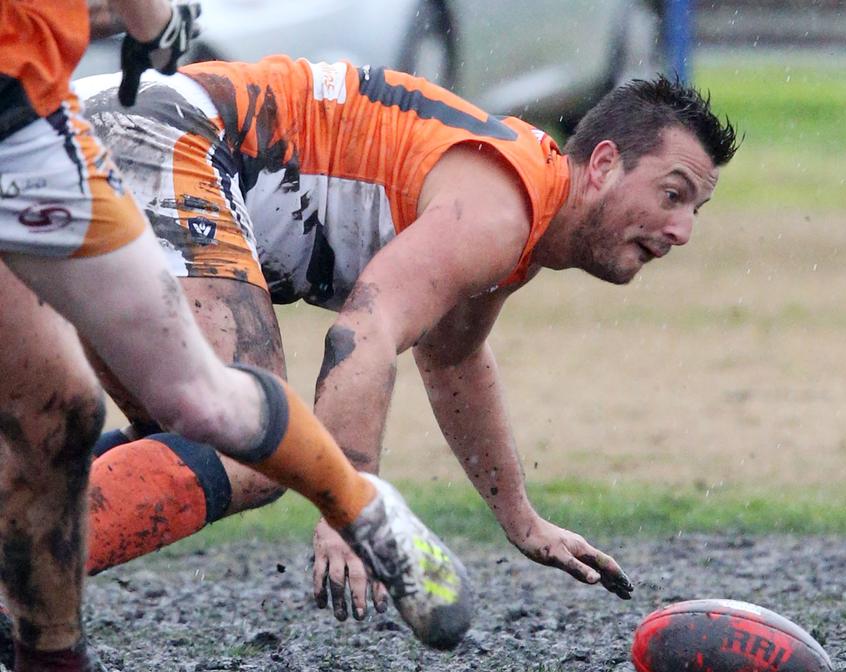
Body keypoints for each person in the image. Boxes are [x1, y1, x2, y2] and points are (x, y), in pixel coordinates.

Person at [65, 53, 738, 622]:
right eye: (672, 195)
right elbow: (364, 331)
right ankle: (23, 589)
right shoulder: (503, 210)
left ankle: (28, 578)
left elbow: (453, 359)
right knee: (245, 436)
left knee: (173, 432)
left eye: (696, 211)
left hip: (110, 123)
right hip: (160, 132)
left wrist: (521, 520)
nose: (682, 232)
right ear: (604, 164)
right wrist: (347, 507)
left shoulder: (520, 216)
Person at [0, 1, 469, 672]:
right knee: (198, 399)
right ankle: (361, 506)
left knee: (62, 411)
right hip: (33, 112)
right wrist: (155, 25)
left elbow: (457, 347)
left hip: (24, 117)